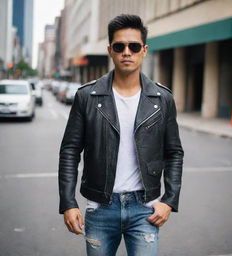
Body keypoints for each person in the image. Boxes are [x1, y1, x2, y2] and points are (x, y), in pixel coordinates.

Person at [58, 14, 184, 256]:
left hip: (144, 209)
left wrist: (169, 200)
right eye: (120, 46)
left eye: (134, 46)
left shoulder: (162, 99)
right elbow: (70, 151)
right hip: (100, 208)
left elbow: (174, 152)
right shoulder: (87, 97)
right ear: (110, 51)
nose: (127, 52)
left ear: (144, 50)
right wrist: (68, 202)